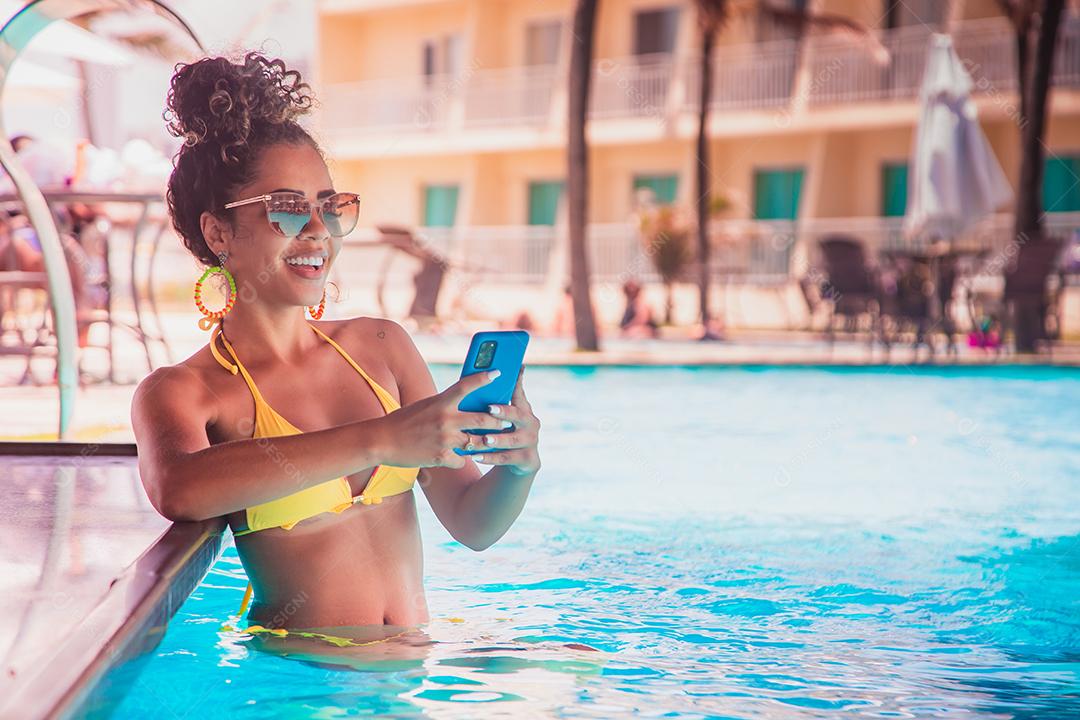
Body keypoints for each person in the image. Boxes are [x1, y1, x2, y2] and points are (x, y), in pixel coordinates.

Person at [130, 53, 541, 643]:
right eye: (288, 209)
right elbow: (179, 488)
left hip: (412, 670)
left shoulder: (381, 348)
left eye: (329, 205)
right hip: (305, 682)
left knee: (579, 665)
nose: (319, 229)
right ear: (218, 231)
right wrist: (383, 438)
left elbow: (472, 522)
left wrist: (520, 467)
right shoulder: (185, 391)